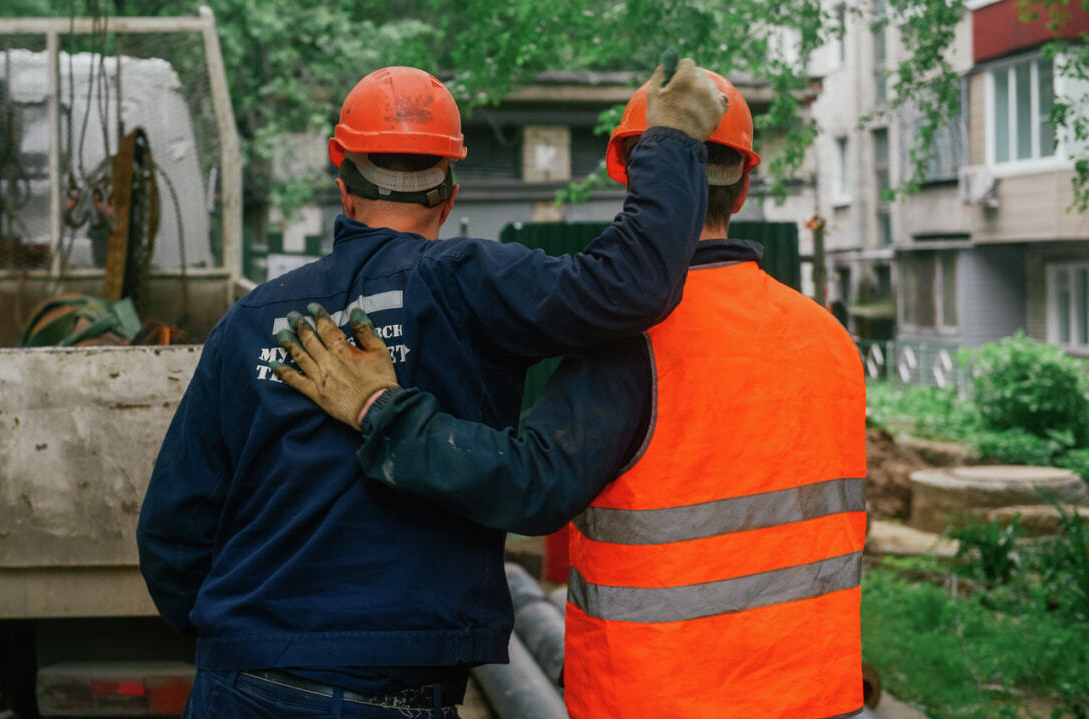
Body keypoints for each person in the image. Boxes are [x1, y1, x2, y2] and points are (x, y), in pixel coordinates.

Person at [136, 60, 729, 718]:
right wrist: (671, 140)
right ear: (449, 192)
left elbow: (172, 530)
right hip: (393, 692)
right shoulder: (469, 284)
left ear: (342, 179)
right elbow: (631, 285)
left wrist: (246, 635)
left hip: (242, 684)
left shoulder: (251, 322)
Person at [273, 71, 868, 719]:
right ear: (746, 186)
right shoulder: (830, 339)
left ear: (633, 177)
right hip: (816, 695)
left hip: (660, 698)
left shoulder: (635, 342)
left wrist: (378, 410)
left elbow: (529, 484)